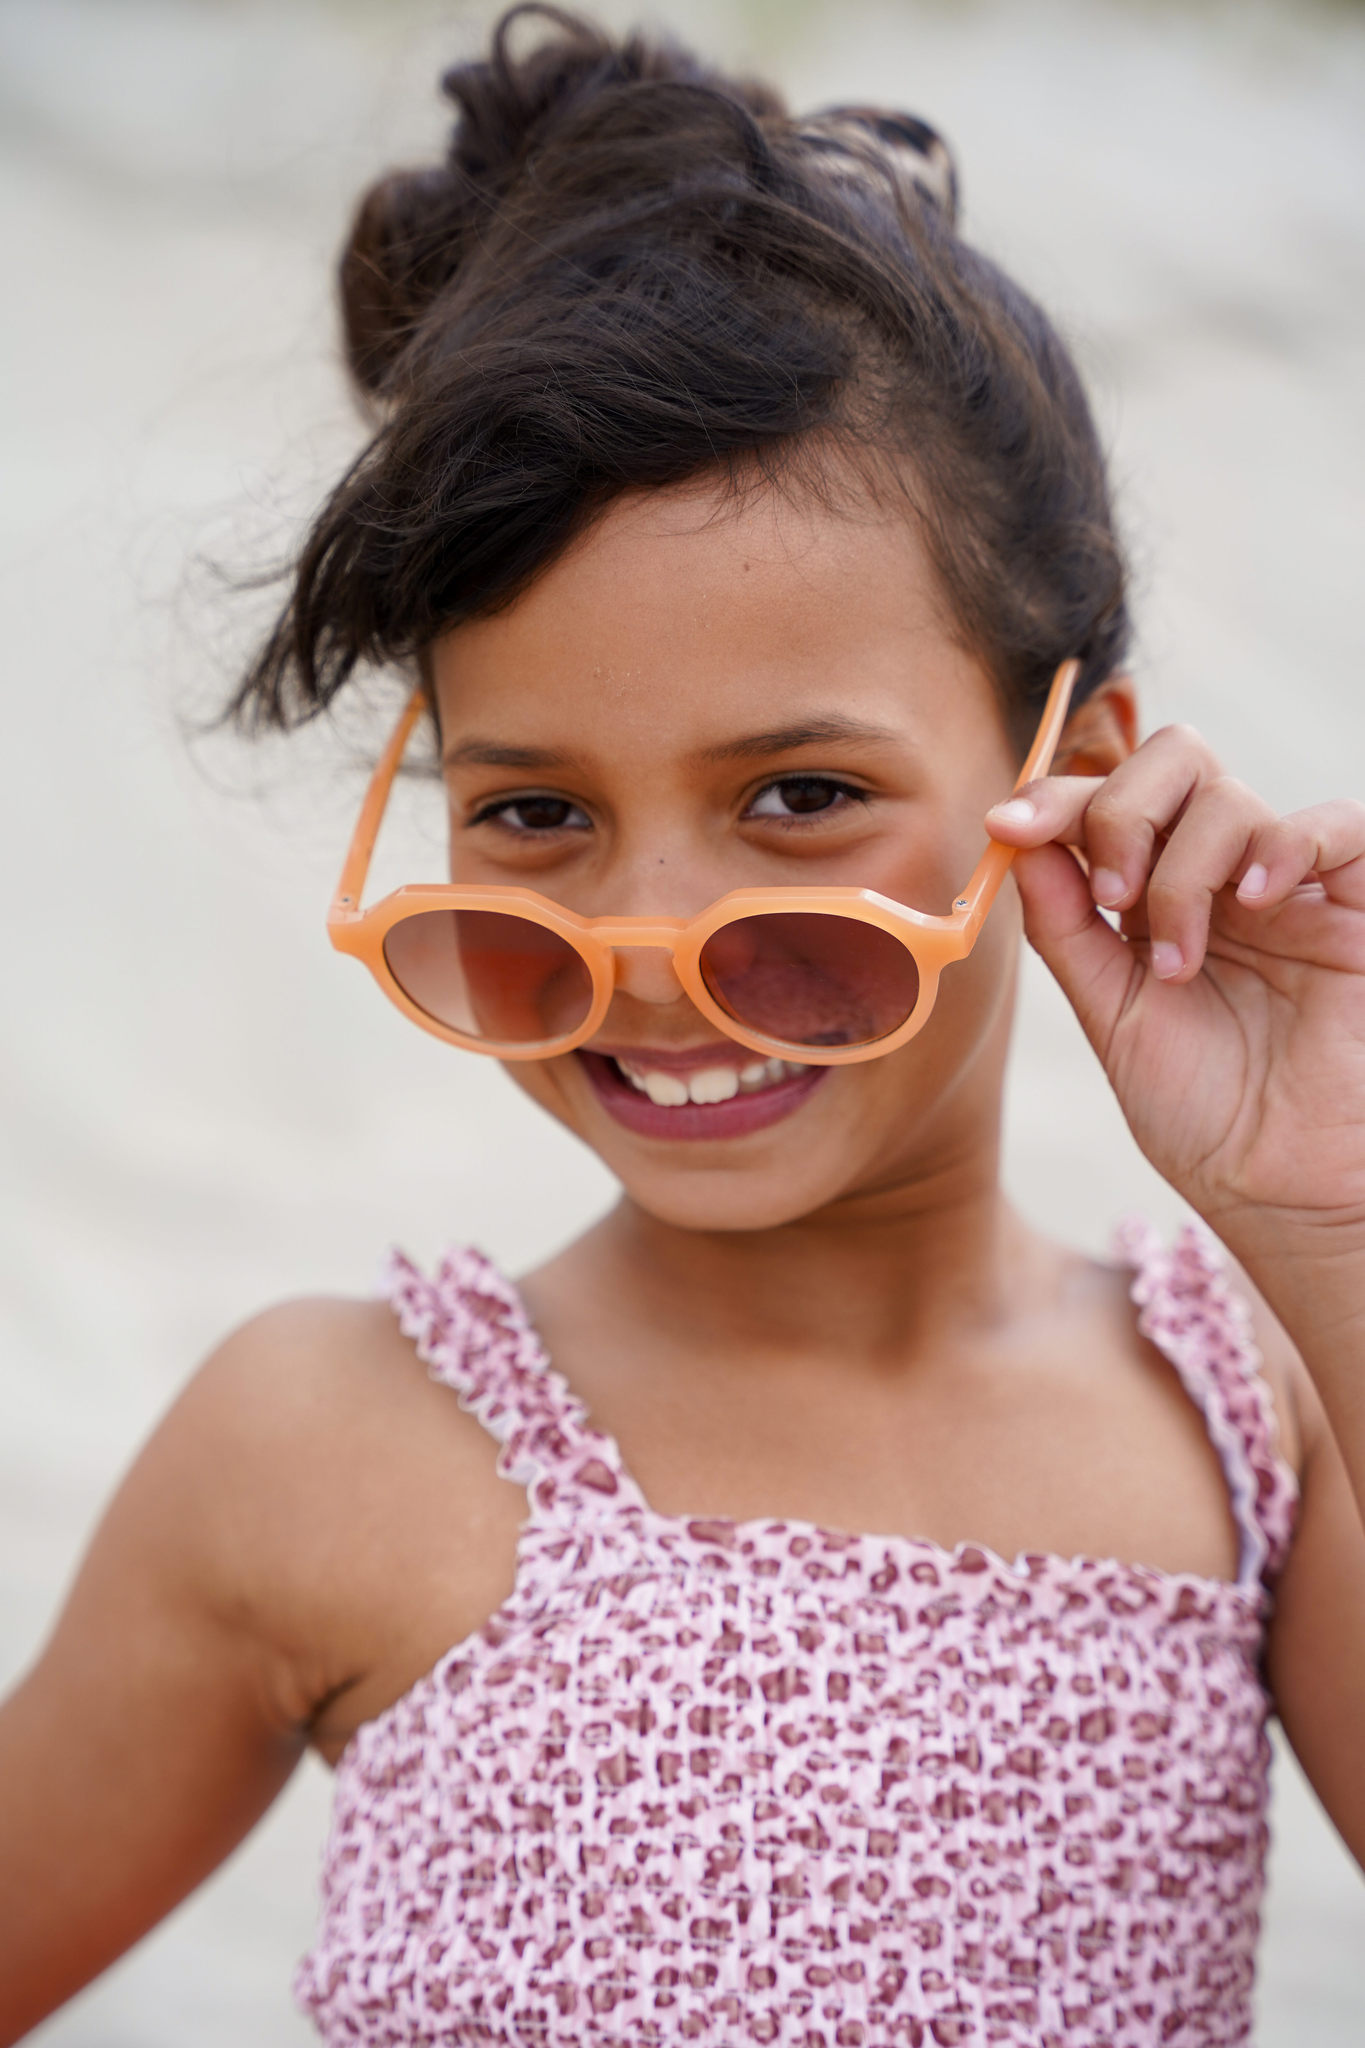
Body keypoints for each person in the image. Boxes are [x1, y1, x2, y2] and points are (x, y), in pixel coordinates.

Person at [2, 6, 1362, 2043]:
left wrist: (1329, 1214)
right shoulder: (317, 1447)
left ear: (1069, 780)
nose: (644, 945)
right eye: (535, 814)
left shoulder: (1259, 1418)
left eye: (798, 794)